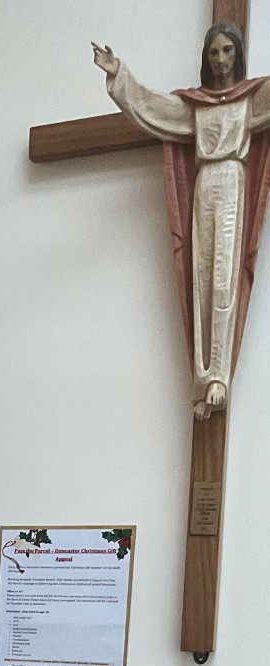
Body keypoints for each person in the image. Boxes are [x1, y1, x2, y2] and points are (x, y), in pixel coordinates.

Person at [94, 25, 270, 418]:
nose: (221, 60)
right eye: (214, 53)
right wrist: (119, 75)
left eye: (227, 51)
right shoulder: (195, 106)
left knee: (223, 276)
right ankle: (203, 376)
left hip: (232, 180)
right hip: (205, 183)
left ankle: (219, 376)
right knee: (201, 276)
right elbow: (154, 109)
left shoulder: (251, 100)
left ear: (238, 55)